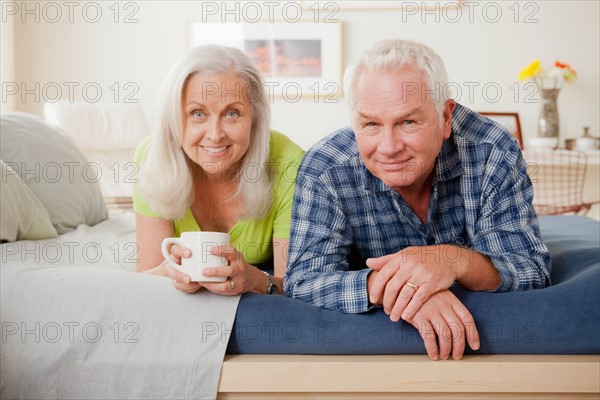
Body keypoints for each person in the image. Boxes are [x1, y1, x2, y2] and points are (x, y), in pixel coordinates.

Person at [284, 39, 551, 360]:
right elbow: (303, 280)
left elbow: (530, 269)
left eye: (408, 122)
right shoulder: (325, 168)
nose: (389, 146)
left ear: (446, 117)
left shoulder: (492, 150)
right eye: (370, 124)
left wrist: (453, 260)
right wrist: (405, 288)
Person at [134, 45, 304, 296]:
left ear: (254, 120)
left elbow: (293, 288)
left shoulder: (289, 165)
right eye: (197, 113)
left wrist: (255, 280)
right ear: (174, 118)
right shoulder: (154, 157)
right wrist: (169, 273)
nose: (215, 135)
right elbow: (145, 278)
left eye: (232, 113)